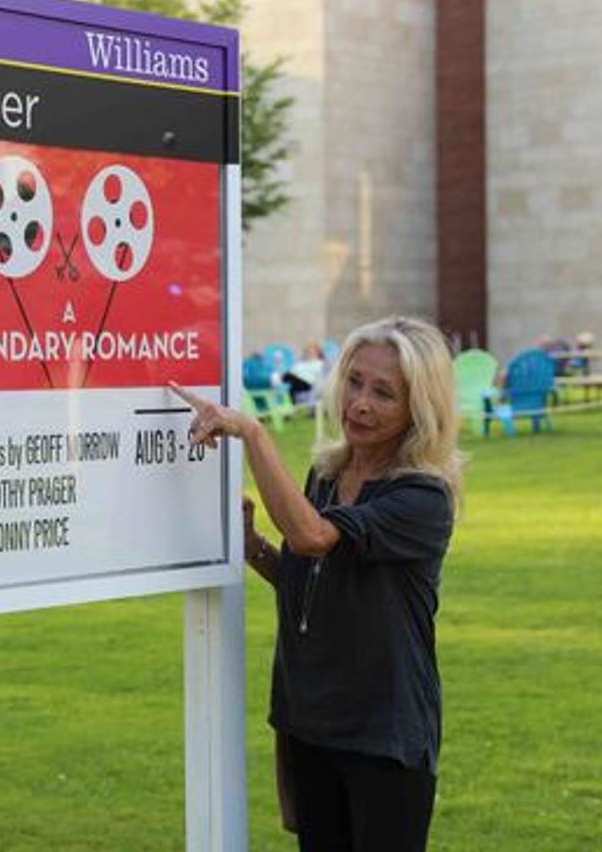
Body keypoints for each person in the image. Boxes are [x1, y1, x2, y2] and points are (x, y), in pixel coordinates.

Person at [170, 315, 464, 852]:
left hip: (383, 736)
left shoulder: (422, 498)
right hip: (309, 723)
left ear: (419, 408)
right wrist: (253, 545)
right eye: (354, 381)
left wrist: (252, 433)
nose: (360, 404)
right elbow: (308, 582)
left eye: (384, 393)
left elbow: (311, 537)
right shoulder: (326, 477)